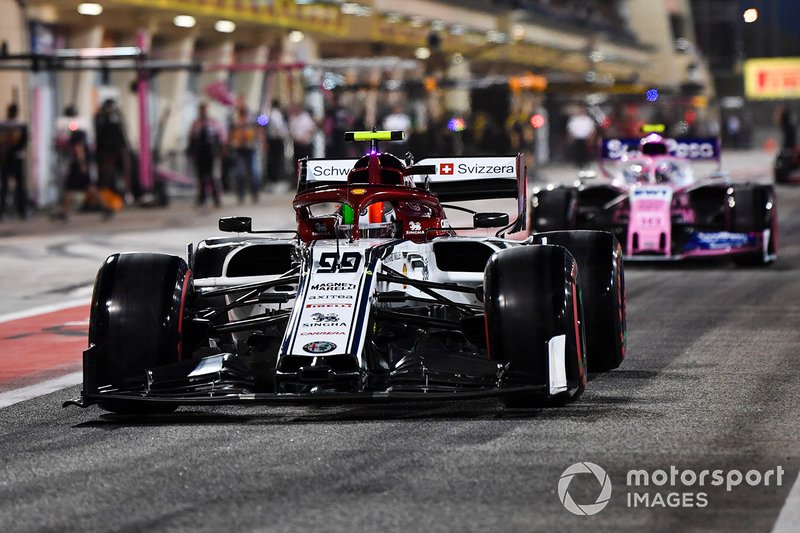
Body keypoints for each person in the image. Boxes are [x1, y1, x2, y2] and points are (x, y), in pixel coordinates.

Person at [188, 102, 225, 207]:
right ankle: (202, 197)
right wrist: (191, 151)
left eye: (204, 109)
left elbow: (221, 137)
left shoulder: (214, 123)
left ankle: (216, 198)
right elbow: (191, 138)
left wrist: (221, 151)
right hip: (200, 153)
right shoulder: (196, 124)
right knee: (200, 177)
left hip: (211, 153)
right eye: (201, 109)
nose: (202, 112)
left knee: (213, 176)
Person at [94, 99, 131, 203]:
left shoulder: (118, 118)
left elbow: (124, 134)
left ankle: (125, 195)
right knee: (106, 174)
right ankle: (105, 197)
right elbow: (99, 136)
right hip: (106, 151)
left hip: (119, 149)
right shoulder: (100, 118)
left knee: (124, 173)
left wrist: (126, 148)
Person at [228, 102, 261, 204]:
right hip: (239, 150)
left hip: (250, 150)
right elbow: (231, 135)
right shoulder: (235, 121)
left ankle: (254, 193)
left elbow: (259, 130)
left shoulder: (251, 120)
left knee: (254, 173)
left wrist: (260, 141)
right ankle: (241, 195)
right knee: (240, 173)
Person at [0, 103, 29, 219]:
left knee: (5, 185)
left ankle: (3, 212)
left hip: (4, 157)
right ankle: (22, 211)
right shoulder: (21, 124)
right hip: (16, 157)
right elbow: (24, 142)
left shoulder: (2, 124)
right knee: (20, 185)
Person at [265, 100, 288, 188]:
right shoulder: (276, 114)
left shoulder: (270, 113)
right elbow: (279, 127)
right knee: (277, 161)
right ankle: (275, 180)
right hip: (276, 140)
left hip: (273, 139)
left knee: (273, 160)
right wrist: (283, 135)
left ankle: (273, 180)